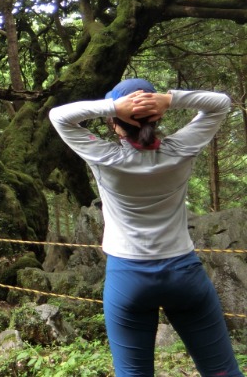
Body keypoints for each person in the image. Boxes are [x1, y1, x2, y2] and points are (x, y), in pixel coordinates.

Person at [49, 78, 243, 377]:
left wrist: (114, 107)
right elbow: (220, 103)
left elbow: (59, 116)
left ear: (115, 124)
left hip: (128, 279)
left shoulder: (105, 157)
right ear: (158, 115)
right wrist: (169, 99)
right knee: (221, 371)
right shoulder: (180, 150)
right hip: (184, 275)